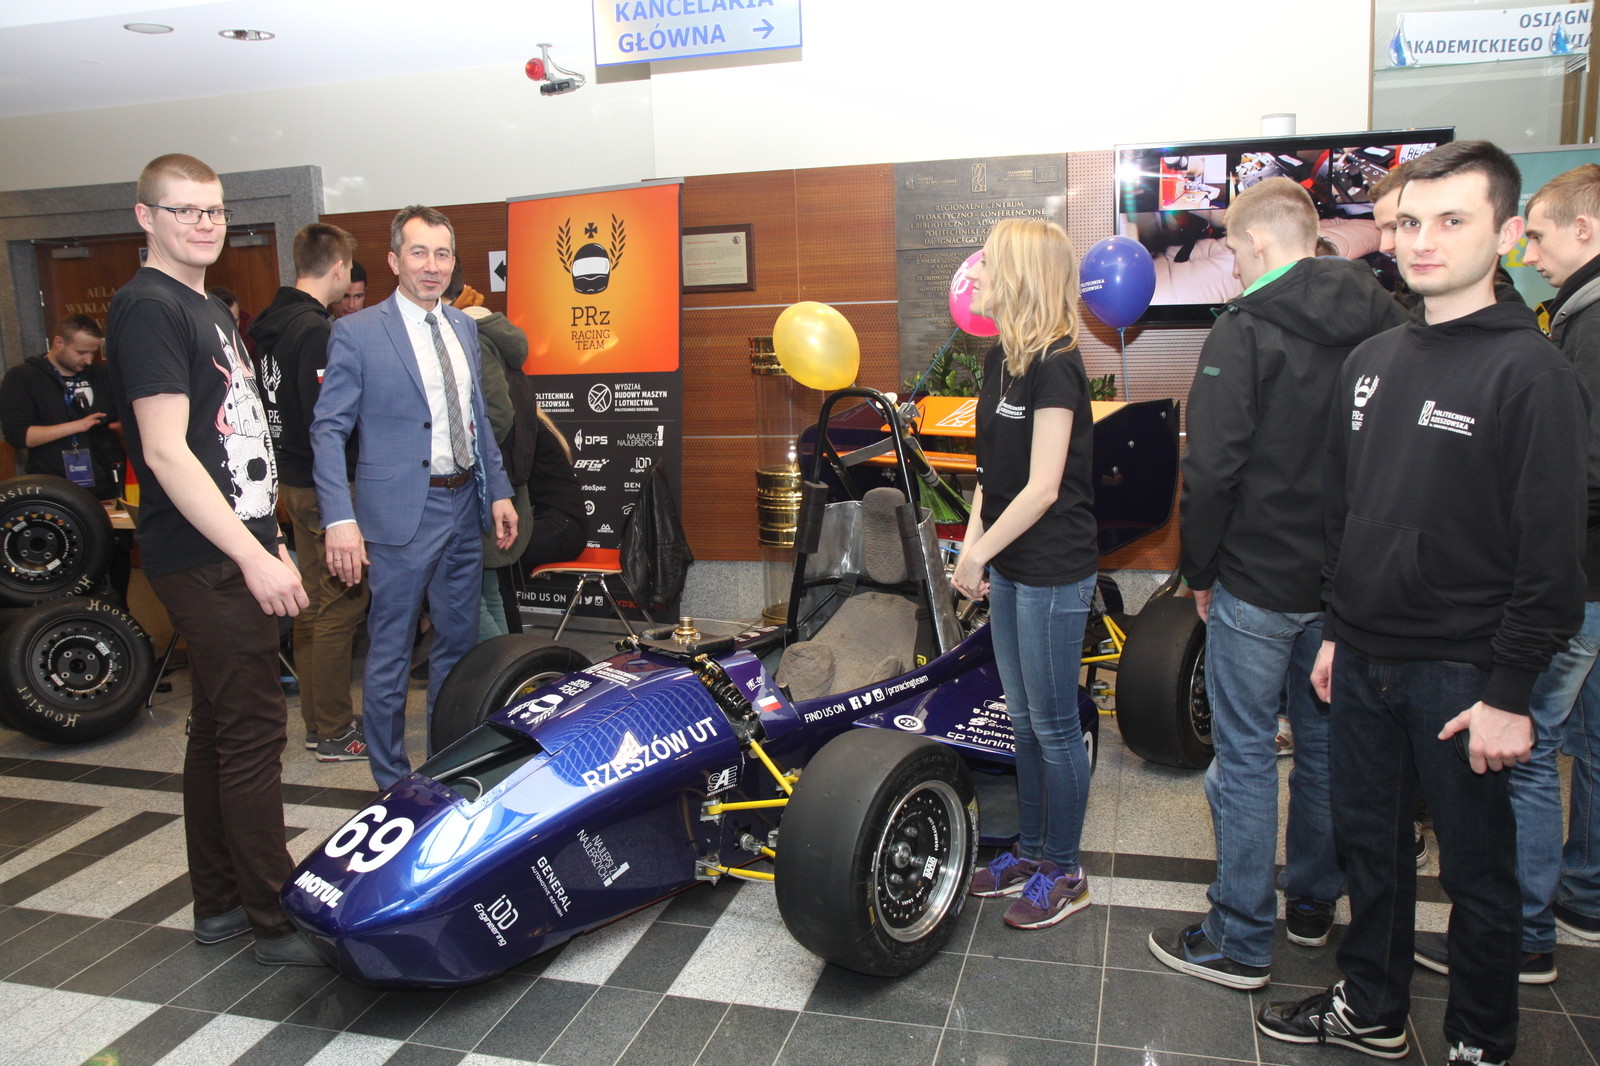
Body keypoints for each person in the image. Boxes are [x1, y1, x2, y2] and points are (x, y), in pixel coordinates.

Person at [1257, 141, 1588, 1066]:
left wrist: (1511, 693)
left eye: (1452, 221)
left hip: (1465, 672)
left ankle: (1481, 1038)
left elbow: (1551, 559)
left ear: (1507, 234)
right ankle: (1372, 1007)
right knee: (1372, 850)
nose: (1423, 241)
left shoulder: (1533, 373)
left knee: (1477, 872)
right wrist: (1336, 630)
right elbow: (1344, 512)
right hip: (1362, 655)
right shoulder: (1371, 359)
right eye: (1409, 222)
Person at [1151, 178, 1406, 990]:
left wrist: (1200, 570)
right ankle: (1312, 904)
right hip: (1347, 584)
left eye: (1231, 245)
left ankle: (1239, 936)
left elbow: (1212, 469)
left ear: (1258, 240)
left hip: (1258, 579)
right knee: (1325, 749)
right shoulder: (1389, 321)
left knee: (1247, 758)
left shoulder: (1245, 327)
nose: (1229, 260)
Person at [105, 153, 317, 967]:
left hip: (234, 545)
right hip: (204, 556)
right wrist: (250, 556)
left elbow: (230, 441)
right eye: (185, 210)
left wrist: (271, 538)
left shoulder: (206, 308)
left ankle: (223, 903)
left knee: (220, 730)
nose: (204, 223)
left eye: (215, 210)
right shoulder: (149, 307)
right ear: (145, 217)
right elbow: (165, 450)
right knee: (255, 731)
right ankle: (275, 919)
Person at [312, 205, 517, 791]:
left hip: (463, 507)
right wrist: (339, 517)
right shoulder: (356, 332)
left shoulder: (464, 327)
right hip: (399, 515)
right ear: (394, 260)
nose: (432, 266)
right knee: (391, 653)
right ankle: (392, 783)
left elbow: (476, 420)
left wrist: (499, 491)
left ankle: (443, 768)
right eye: (419, 252)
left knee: (457, 646)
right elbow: (327, 431)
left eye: (442, 254)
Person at [950, 217, 1096, 930]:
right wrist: (972, 546)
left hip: (1053, 569)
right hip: (1010, 562)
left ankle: (1065, 870)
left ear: (1020, 276)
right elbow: (991, 476)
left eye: (986, 262)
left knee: (1055, 724)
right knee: (1025, 719)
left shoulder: (1057, 363)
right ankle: (1032, 852)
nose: (973, 273)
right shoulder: (999, 360)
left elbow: (1042, 489)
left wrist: (981, 553)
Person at [1510, 162, 1600, 948]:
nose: (1528, 254)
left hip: (1578, 578)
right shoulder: (1574, 316)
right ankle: (1585, 899)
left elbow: (1583, 471)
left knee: (1525, 746)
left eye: (1536, 236)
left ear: (1585, 229)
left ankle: (1524, 933)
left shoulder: (1591, 326)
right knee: (1593, 745)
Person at [248, 222, 370, 763]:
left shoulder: (270, 325)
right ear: (339, 267)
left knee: (313, 603)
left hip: (292, 480)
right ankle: (336, 730)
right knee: (343, 601)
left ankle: (319, 722)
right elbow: (329, 422)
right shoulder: (317, 331)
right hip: (325, 485)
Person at [444, 275, 535, 638]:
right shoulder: (493, 334)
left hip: (478, 486)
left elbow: (496, 415)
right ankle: (508, 668)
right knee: (487, 591)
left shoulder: (472, 338)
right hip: (498, 485)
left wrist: (462, 459)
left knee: (466, 598)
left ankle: (500, 668)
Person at [0, 314, 125, 501]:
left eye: (93, 353)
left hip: (106, 482)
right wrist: (76, 426)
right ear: (59, 342)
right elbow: (18, 436)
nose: (88, 360)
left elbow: (117, 420)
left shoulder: (102, 374)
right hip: (52, 485)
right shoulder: (23, 377)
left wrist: (123, 428)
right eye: (81, 352)